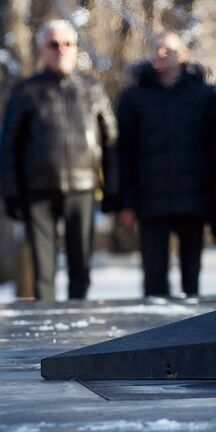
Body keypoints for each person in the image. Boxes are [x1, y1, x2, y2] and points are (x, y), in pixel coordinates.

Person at [1, 20, 118, 301]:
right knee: (43, 270)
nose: (61, 50)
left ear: (76, 48)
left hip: (83, 188)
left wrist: (113, 188)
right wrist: (11, 193)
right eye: (53, 44)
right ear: (42, 50)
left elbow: (111, 142)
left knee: (81, 265)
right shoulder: (26, 91)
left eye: (68, 43)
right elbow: (9, 147)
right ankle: (46, 331)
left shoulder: (93, 89)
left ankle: (78, 326)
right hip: (37, 191)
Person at [116, 32, 216, 298]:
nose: (161, 53)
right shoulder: (134, 97)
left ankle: (194, 329)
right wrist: (125, 202)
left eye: (169, 49)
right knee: (153, 279)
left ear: (183, 56)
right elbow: (124, 151)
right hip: (150, 198)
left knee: (191, 279)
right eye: (157, 48)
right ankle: (154, 333)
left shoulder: (204, 95)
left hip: (192, 198)